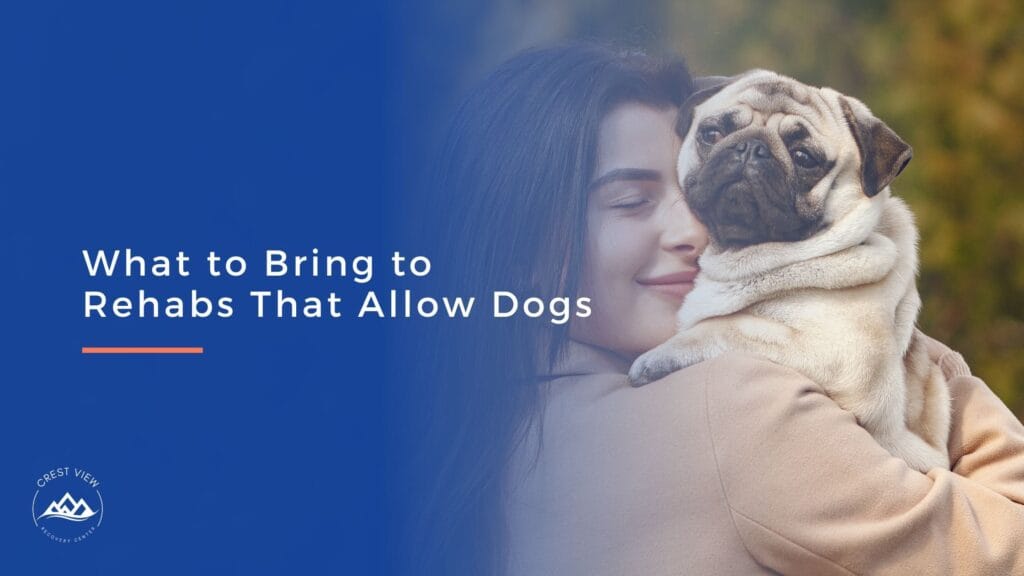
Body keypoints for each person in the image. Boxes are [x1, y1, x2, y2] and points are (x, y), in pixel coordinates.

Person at [405, 42, 1024, 576]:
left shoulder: (469, 432)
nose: (696, 231)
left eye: (690, 190)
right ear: (518, 242)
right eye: (630, 201)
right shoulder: (737, 409)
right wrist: (897, 336)